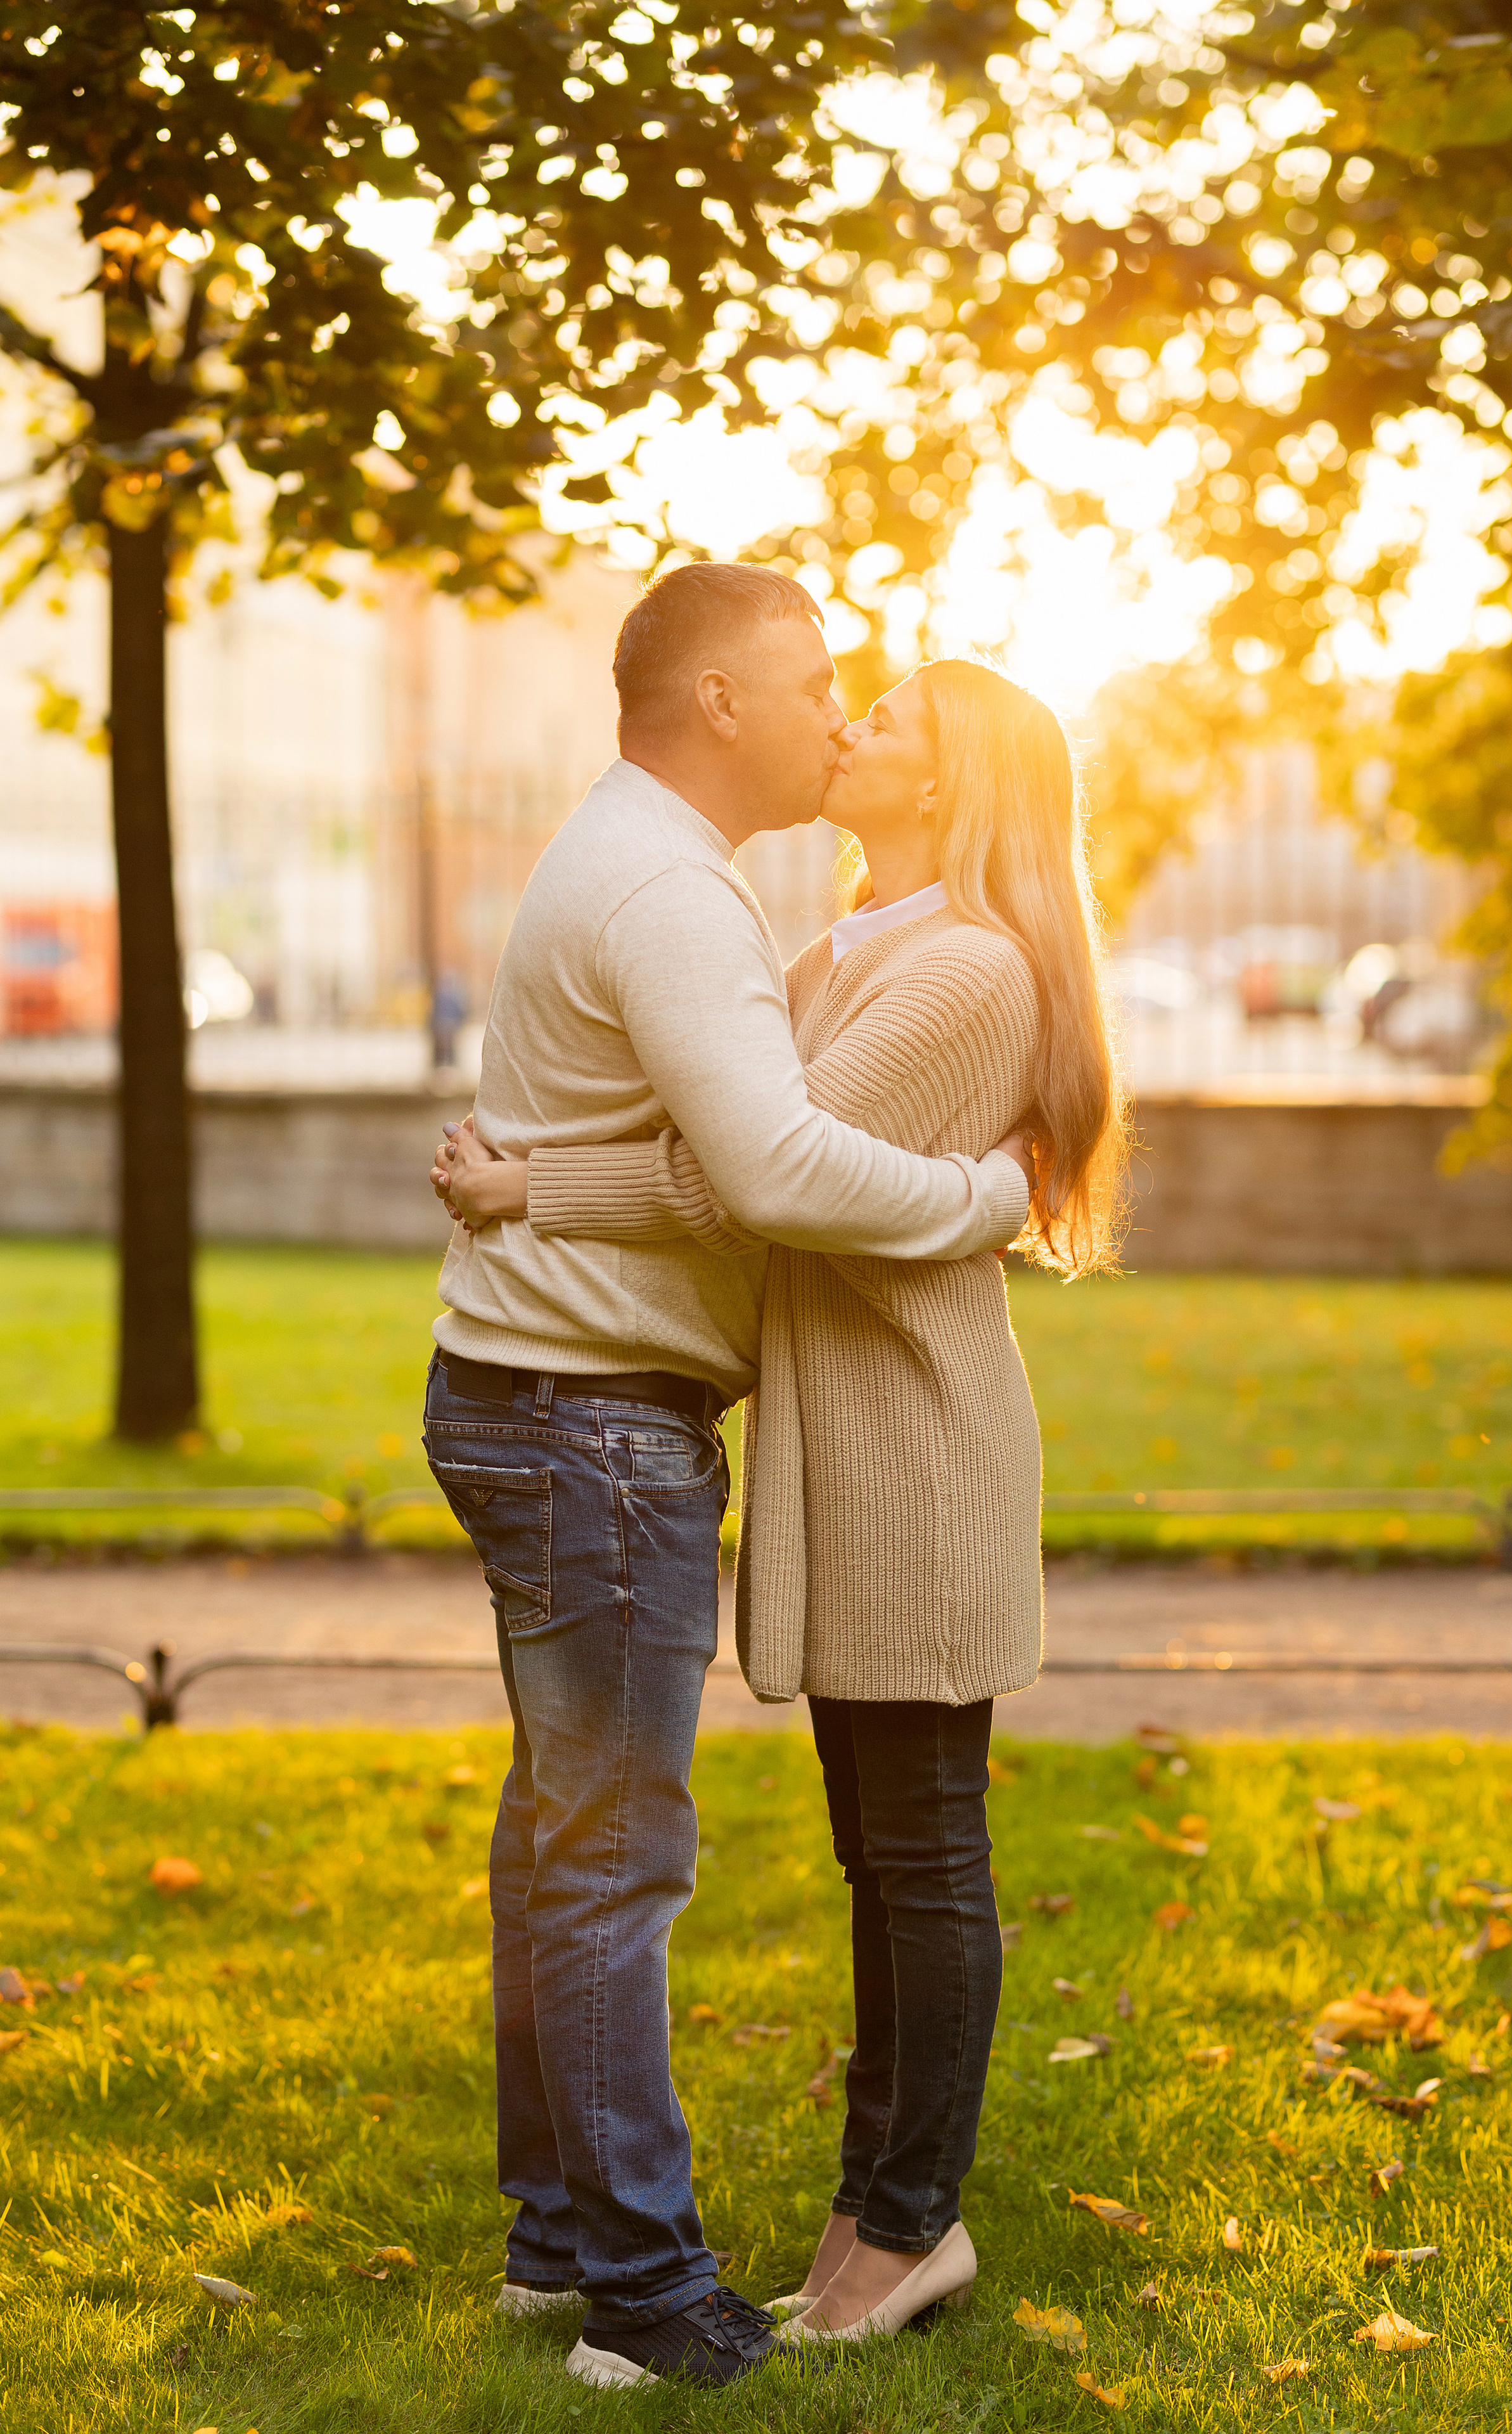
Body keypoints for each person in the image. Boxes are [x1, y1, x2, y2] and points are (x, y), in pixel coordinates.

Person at [439, 655, 1125, 2343]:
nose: (851, 728)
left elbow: (772, 1179)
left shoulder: (966, 968)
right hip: (853, 1443)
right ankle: (873, 2219)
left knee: (922, 1853)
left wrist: (543, 1188)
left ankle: (908, 2226)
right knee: (880, 1857)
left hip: (916, 1449)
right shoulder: (844, 949)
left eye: (889, 718)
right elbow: (756, 1149)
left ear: (954, 787)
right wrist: (550, 1187)